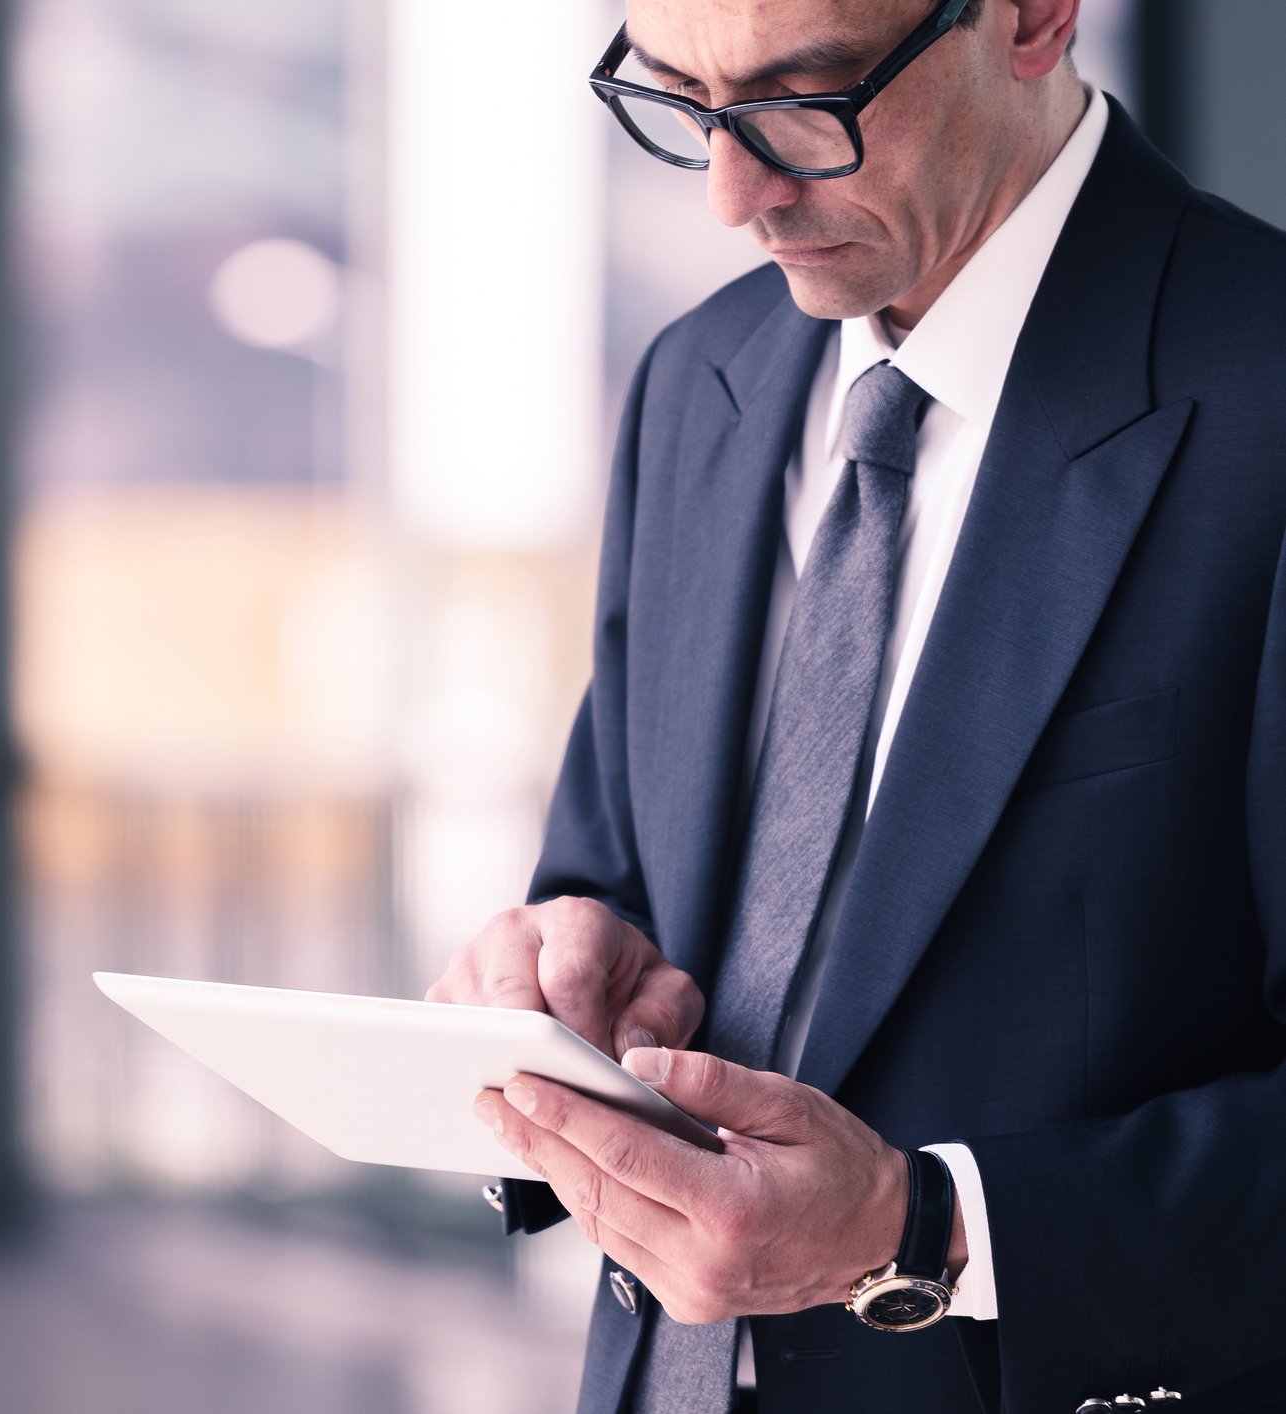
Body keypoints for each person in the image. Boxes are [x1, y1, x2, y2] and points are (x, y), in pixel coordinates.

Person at [422, 0, 1286, 1410]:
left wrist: (922, 1229)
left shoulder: (1263, 398)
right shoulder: (692, 388)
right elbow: (613, 871)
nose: (729, 194)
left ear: (1030, 17)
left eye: (801, 99)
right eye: (681, 101)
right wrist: (564, 972)